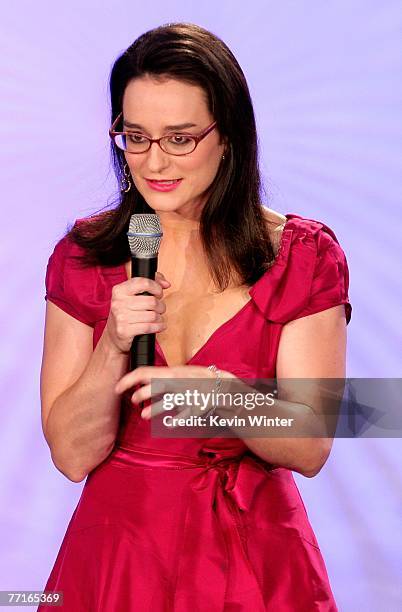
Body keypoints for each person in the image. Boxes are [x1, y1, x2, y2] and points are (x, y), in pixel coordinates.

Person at [38, 22, 352, 612]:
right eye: (135, 137)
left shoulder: (303, 256)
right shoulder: (84, 257)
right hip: (119, 555)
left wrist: (223, 395)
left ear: (228, 136)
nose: (153, 161)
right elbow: (71, 456)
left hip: (256, 557)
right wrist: (112, 344)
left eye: (179, 139)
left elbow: (312, 445)